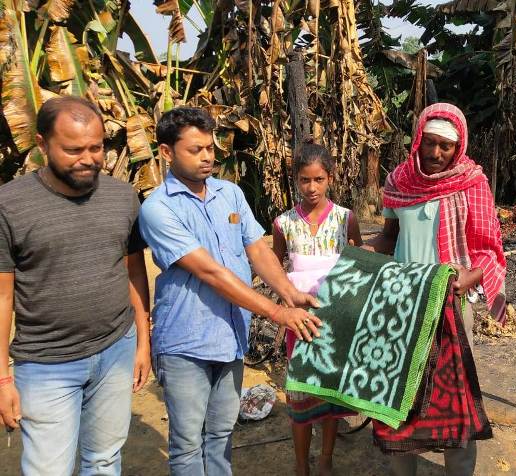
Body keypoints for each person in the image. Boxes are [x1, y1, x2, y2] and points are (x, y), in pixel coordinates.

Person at [138, 107, 322, 475]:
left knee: (221, 432)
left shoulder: (230, 194)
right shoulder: (158, 208)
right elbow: (211, 273)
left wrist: (288, 291)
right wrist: (278, 313)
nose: (208, 156)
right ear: (166, 152)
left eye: (210, 146)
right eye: (195, 149)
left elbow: (257, 249)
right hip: (185, 343)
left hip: (230, 337)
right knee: (188, 442)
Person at [0, 96, 150, 475]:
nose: (88, 158)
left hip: (116, 349)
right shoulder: (9, 205)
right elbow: (2, 296)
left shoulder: (122, 197)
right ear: (41, 144)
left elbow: (134, 271)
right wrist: (3, 377)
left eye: (96, 147)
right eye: (73, 149)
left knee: (103, 461)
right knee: (48, 469)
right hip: (45, 363)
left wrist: (143, 341)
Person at [365, 102, 506, 476]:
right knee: (400, 392)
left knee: (456, 394)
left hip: (452, 304)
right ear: (418, 140)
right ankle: (402, 468)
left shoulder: (471, 183)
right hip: (403, 301)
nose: (436, 153)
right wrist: (359, 253)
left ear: (457, 148)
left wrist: (469, 277)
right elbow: (389, 238)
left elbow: (489, 249)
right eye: (429, 143)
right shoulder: (399, 180)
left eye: (445, 146)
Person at [272, 141, 363, 476]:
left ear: (330, 178)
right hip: (299, 321)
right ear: (295, 180)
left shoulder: (345, 219)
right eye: (305, 180)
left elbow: (355, 263)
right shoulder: (283, 224)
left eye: (319, 179)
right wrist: (285, 303)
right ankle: (300, 464)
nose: (312, 187)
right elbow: (279, 269)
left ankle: (325, 460)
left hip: (336, 320)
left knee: (330, 392)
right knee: (298, 391)